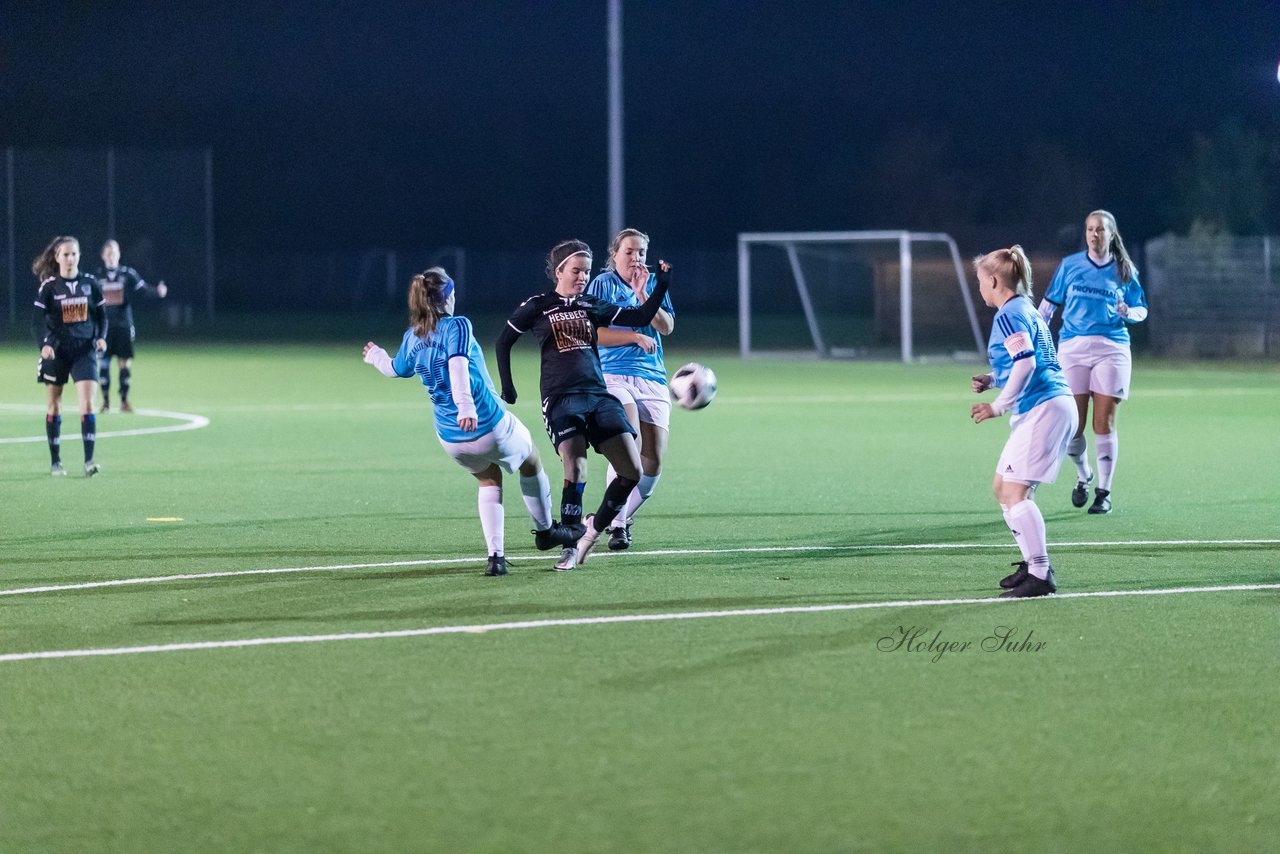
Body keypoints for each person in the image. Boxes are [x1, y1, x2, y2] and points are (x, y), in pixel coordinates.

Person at [362, 267, 579, 576]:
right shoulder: (458, 325)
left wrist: (376, 357)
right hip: (485, 424)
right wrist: (467, 407)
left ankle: (496, 558)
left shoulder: (413, 336)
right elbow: (458, 364)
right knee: (531, 461)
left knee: (489, 479)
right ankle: (546, 532)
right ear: (447, 297)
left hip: (451, 439)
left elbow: (394, 369)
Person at [495, 239, 671, 571]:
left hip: (598, 395)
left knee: (631, 471)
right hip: (561, 398)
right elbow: (504, 341)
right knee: (576, 465)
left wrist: (660, 285)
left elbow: (641, 315)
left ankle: (591, 530)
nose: (582, 276)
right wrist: (508, 387)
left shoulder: (591, 304)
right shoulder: (537, 305)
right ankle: (570, 542)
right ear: (559, 270)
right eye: (576, 270)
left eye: (587, 271)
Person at [970, 246, 1077, 598]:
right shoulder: (1023, 309)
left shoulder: (1009, 314)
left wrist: (998, 406)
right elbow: (1020, 362)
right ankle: (1032, 564)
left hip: (1045, 407)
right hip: (1048, 404)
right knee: (1003, 487)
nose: (980, 289)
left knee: (1016, 492)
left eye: (980, 282)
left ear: (994, 280)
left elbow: (1028, 364)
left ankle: (1041, 574)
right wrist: (992, 377)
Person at [1040, 210, 1147, 515]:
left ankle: (1104, 492)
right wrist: (1035, 334)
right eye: (1089, 229)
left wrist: (1128, 312)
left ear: (1111, 235)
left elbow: (1142, 309)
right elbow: (1048, 307)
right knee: (1073, 425)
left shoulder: (1124, 269)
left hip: (1111, 349)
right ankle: (1083, 474)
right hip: (1072, 348)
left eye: (1100, 229)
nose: (1094, 234)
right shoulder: (1070, 265)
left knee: (1104, 423)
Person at [586, 227, 675, 551]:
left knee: (652, 461)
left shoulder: (652, 284)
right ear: (614, 255)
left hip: (651, 378)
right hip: (612, 376)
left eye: (641, 252)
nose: (636, 257)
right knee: (630, 441)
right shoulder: (601, 285)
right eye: (629, 251)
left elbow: (667, 327)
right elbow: (594, 333)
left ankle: (615, 518)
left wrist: (642, 296)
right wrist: (634, 336)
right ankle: (618, 525)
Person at [31, 236, 107, 477]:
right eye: (65, 254)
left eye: (74, 254)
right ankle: (56, 462)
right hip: (57, 352)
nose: (70, 258)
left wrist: (101, 337)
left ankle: (89, 462)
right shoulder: (49, 287)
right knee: (54, 405)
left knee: (87, 403)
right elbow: (36, 322)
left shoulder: (91, 284)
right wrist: (44, 344)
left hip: (84, 351)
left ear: (79, 256)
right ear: (57, 257)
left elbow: (102, 317)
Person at [95, 239, 167, 412]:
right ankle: (105, 401)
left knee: (124, 363)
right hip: (103, 328)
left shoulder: (128, 274)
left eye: (115, 253)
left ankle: (124, 401)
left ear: (119, 255)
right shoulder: (96, 275)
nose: (112, 256)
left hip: (123, 325)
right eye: (108, 253)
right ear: (103, 256)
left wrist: (157, 291)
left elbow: (143, 290)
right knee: (103, 363)